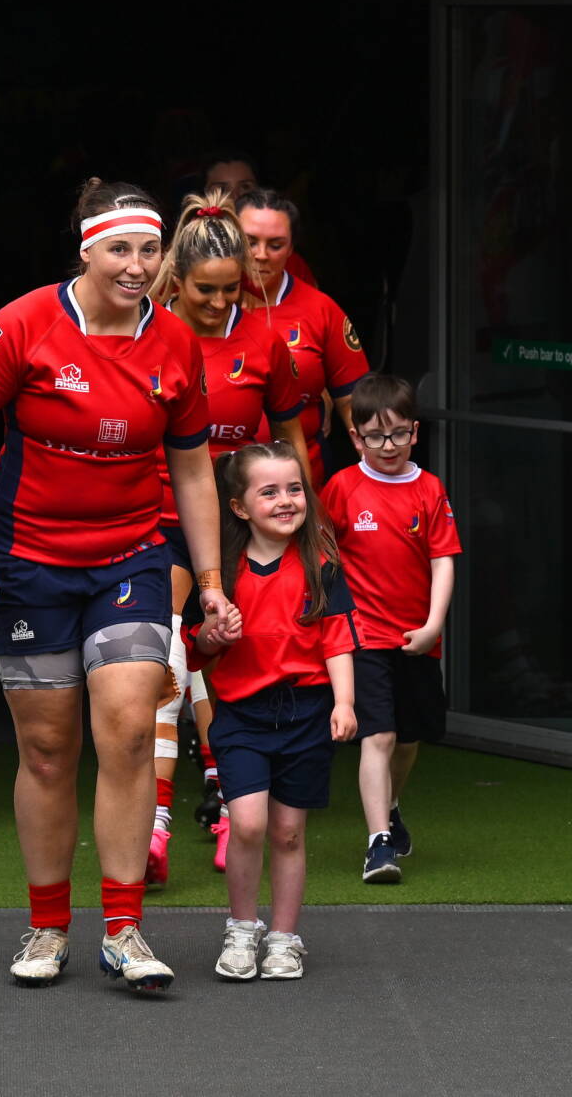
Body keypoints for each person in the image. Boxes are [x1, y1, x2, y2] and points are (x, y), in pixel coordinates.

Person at [0, 177, 233, 996]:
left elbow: (194, 467)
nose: (137, 266)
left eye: (148, 250)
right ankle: (46, 923)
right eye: (120, 250)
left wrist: (208, 578)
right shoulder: (24, 322)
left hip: (131, 558)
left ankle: (125, 929)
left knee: (133, 727)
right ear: (85, 250)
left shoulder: (173, 342)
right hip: (29, 561)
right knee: (48, 748)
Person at [146, 190, 312, 885]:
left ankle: (225, 807)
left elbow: (293, 434)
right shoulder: (146, 331)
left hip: (240, 529)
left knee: (229, 660)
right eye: (205, 292)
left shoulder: (263, 339)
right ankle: (154, 827)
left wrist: (308, 515)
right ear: (176, 284)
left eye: (231, 290)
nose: (219, 304)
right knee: (163, 666)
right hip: (157, 519)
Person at [185, 442, 358, 981]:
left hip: (307, 711)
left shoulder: (322, 563)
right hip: (239, 714)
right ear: (238, 506)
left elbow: (337, 641)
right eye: (270, 492)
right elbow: (197, 647)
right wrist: (214, 634)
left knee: (288, 831)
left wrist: (346, 702)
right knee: (249, 823)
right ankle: (241, 929)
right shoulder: (221, 575)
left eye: (294, 489)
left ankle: (284, 938)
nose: (286, 500)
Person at [320, 373, 461, 884]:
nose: (388, 446)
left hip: (418, 637)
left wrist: (432, 625)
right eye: (375, 436)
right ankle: (378, 843)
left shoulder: (429, 488)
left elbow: (444, 560)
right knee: (377, 737)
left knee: (408, 739)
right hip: (363, 637)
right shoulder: (341, 488)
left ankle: (393, 804)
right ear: (355, 437)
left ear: (415, 432)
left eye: (398, 433)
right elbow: (320, 557)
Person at [236, 188, 369, 488]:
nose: (260, 254)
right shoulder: (203, 304)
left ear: (292, 247)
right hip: (217, 477)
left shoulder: (320, 309)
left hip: (300, 480)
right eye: (250, 242)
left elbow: (354, 402)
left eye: (276, 245)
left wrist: (377, 470)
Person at [204, 151, 316, 286]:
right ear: (204, 195)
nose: (235, 197)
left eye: (245, 187)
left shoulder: (287, 261)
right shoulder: (186, 254)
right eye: (221, 189)